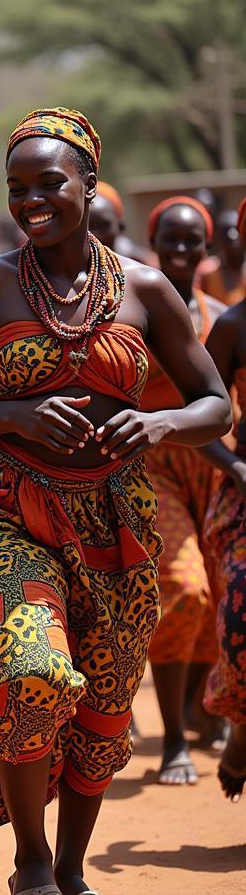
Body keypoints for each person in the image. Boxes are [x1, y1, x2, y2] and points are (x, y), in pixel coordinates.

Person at [0, 108, 230, 895]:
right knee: (29, 671)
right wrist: (12, 416)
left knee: (104, 711)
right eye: (18, 189)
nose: (32, 201)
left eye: (51, 184)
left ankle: (74, 875)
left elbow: (215, 405)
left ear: (88, 183)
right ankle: (30, 862)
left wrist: (156, 424)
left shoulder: (147, 289)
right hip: (7, 510)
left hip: (117, 521)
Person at [140, 196, 226, 785]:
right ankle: (172, 735)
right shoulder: (133, 309)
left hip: (216, 467)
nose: (180, 250)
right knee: (185, 588)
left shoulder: (221, 318)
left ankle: (201, 705)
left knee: (220, 599)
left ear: (207, 248)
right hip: (157, 465)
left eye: (191, 241)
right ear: (154, 242)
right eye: (169, 239)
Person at [199, 199, 246, 800]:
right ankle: (240, 724)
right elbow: (199, 415)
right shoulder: (234, 326)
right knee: (239, 623)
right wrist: (235, 466)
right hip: (244, 501)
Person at [198, 209, 246, 306]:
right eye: (226, 231)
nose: (233, 235)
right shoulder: (206, 272)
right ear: (217, 238)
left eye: (237, 229)